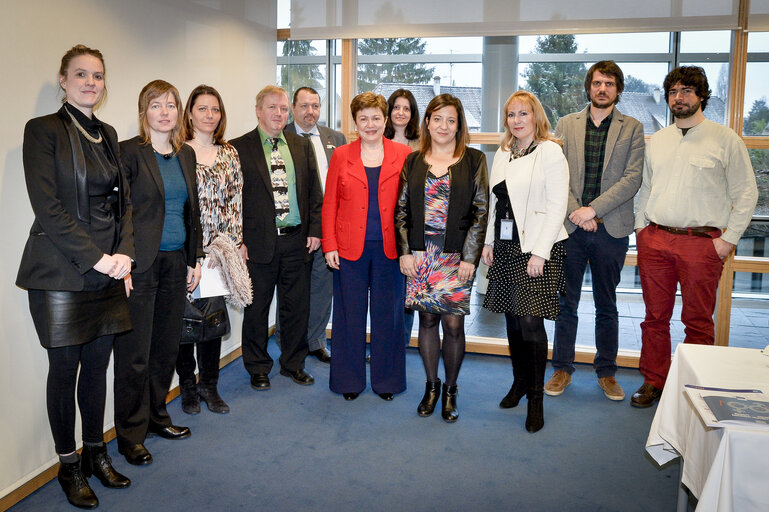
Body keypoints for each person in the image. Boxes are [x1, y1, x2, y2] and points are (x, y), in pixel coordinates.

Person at [17, 44, 133, 509]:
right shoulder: (42, 131)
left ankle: (96, 454)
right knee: (64, 373)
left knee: (97, 370)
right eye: (81, 74)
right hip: (61, 274)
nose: (90, 82)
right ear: (63, 81)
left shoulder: (106, 133)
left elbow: (124, 205)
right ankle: (68, 465)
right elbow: (48, 207)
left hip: (108, 272)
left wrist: (123, 255)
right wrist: (99, 259)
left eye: (98, 75)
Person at [631, 66, 758, 407]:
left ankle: (695, 388)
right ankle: (654, 380)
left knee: (697, 320)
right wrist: (641, 230)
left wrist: (728, 240)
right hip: (655, 239)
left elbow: (746, 192)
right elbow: (645, 188)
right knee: (654, 318)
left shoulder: (725, 138)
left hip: (702, 243)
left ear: (701, 96)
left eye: (687, 90)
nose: (679, 97)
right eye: (673, 91)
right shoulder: (659, 139)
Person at [114, 80, 203, 466]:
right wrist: (124, 261)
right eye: (156, 105)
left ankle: (156, 417)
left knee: (166, 347)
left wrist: (194, 259)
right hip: (141, 265)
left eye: (170, 104)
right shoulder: (129, 154)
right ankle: (131, 435)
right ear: (144, 112)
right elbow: (122, 211)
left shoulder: (185, 154)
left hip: (175, 262)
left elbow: (192, 212)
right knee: (135, 354)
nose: (164, 111)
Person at [546, 61, 645, 402]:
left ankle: (607, 372)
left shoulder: (632, 127)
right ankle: (562, 368)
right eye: (597, 83)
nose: (602, 89)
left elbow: (632, 179)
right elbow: (558, 173)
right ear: (588, 87)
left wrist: (594, 210)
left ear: (618, 90)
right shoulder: (566, 124)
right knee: (565, 303)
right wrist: (578, 211)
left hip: (610, 229)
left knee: (607, 304)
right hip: (571, 229)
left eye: (610, 83)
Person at [395, 93, 489, 422]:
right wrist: (405, 252)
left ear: (459, 125)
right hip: (421, 255)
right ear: (427, 123)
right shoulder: (413, 161)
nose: (443, 126)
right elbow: (401, 211)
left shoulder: (474, 160)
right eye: (437, 119)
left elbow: (480, 213)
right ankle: (431, 385)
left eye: (451, 120)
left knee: (452, 325)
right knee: (427, 321)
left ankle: (451, 389)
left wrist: (470, 258)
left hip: (455, 256)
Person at [481, 90, 569, 433]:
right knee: (513, 322)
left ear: (536, 117)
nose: (516, 120)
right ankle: (519, 383)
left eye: (523, 114)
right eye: (511, 115)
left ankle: (536, 397)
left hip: (536, 248)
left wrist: (540, 252)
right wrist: (488, 240)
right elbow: (495, 201)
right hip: (504, 247)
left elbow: (557, 204)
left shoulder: (550, 151)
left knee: (531, 323)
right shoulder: (504, 152)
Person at [231, 86, 323, 391]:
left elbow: (313, 194)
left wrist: (315, 230)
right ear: (258, 110)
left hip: (297, 242)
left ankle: (293, 363)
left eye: (283, 109)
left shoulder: (300, 145)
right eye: (272, 108)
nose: (278, 114)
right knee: (256, 309)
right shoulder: (238, 148)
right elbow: (233, 200)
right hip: (257, 245)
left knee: (296, 308)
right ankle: (257, 366)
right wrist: (238, 239)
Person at [322, 91, 412, 401]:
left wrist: (409, 249)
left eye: (376, 118)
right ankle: (349, 380)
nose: (370, 124)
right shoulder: (341, 155)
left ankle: (387, 381)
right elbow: (330, 203)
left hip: (391, 250)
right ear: (355, 122)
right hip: (349, 250)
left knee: (389, 318)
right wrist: (329, 245)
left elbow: (411, 206)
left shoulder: (403, 154)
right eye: (363, 119)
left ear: (385, 120)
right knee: (349, 317)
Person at [176, 85, 246, 415]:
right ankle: (187, 387)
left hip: (219, 251)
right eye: (202, 109)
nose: (209, 115)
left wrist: (236, 244)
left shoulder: (229, 153)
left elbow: (235, 202)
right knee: (184, 324)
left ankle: (210, 386)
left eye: (215, 109)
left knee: (212, 322)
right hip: (186, 251)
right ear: (189, 113)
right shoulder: (176, 151)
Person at [273, 86, 347, 364]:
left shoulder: (335, 138)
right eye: (304, 106)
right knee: (291, 289)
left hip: (328, 227)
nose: (310, 112)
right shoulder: (281, 136)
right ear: (293, 108)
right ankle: (286, 340)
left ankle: (316, 341)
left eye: (315, 106)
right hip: (295, 228)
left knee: (321, 287)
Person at [384, 88, 421, 349]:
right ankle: (382, 345)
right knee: (385, 293)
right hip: (382, 225)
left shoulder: (422, 145)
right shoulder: (376, 141)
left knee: (408, 292)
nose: (401, 112)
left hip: (412, 226)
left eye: (406, 108)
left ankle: (399, 345)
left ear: (413, 114)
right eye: (396, 107)